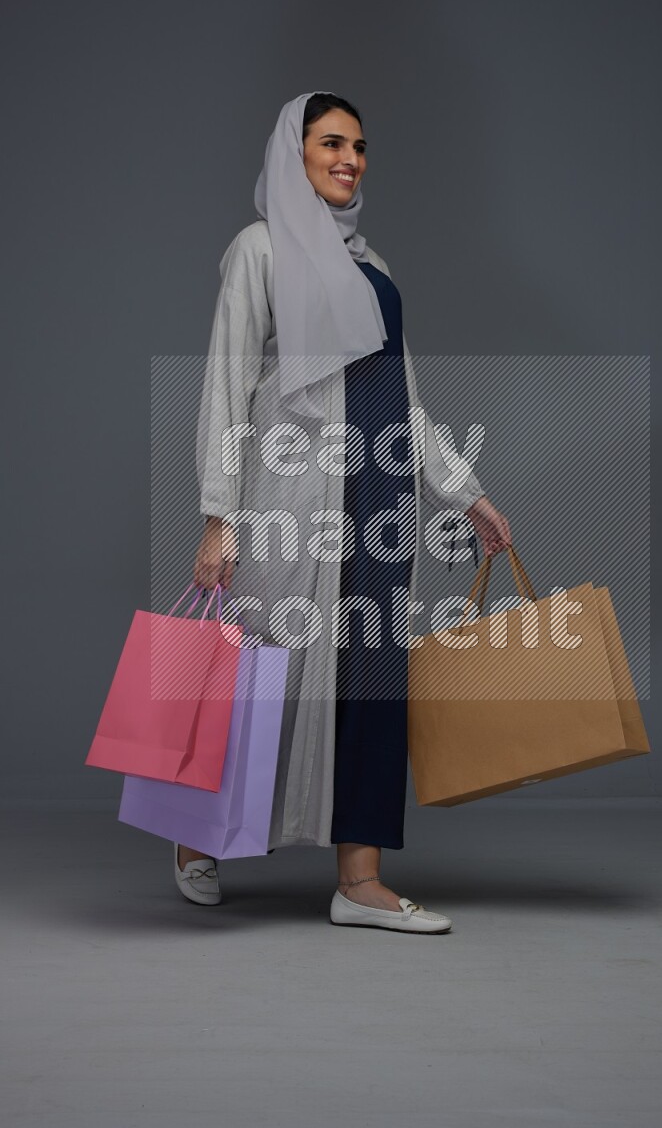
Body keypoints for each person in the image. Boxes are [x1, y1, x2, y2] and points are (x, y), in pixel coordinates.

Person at [176, 92, 512, 933]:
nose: (349, 158)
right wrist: (218, 515)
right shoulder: (257, 251)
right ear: (294, 153)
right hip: (290, 496)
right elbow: (224, 382)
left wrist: (466, 492)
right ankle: (196, 835)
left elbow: (406, 399)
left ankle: (359, 881)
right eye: (330, 142)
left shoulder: (379, 270)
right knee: (257, 663)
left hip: (378, 496)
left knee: (370, 675)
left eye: (359, 145)